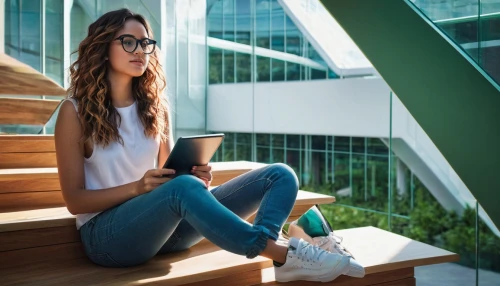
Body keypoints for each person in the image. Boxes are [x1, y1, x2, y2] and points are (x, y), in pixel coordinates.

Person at [54, 8, 363, 283]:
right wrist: (138, 188)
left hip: (166, 231)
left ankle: (276, 250)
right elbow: (75, 201)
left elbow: (170, 176)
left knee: (280, 175)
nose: (141, 51)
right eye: (128, 42)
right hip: (107, 239)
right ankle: (282, 253)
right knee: (185, 188)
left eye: (146, 43)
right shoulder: (75, 112)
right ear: (104, 49)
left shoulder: (154, 108)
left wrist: (193, 174)